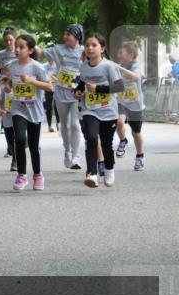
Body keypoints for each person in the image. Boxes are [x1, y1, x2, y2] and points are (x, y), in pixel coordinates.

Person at [74, 33, 124, 188]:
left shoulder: (109, 66)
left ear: (102, 49)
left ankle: (109, 169)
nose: (90, 48)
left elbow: (119, 87)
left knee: (107, 145)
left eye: (94, 45)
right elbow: (82, 84)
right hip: (90, 109)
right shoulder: (83, 66)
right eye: (87, 45)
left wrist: (98, 88)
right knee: (91, 138)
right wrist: (77, 91)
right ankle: (92, 173)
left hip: (108, 111)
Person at [8, 34, 54, 191]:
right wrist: (7, 86)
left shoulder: (37, 67)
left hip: (34, 110)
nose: (17, 50)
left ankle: (38, 175)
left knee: (34, 145)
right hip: (18, 108)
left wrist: (31, 81)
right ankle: (21, 175)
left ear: (30, 50)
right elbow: (6, 81)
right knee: (20, 140)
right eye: (16, 47)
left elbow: (49, 87)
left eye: (21, 47)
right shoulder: (12, 66)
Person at [40, 24, 85, 170]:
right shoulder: (58, 49)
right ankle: (67, 151)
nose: (65, 37)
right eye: (64, 34)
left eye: (68, 34)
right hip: (60, 92)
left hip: (76, 94)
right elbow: (39, 53)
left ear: (77, 36)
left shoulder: (84, 51)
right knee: (64, 125)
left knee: (75, 124)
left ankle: (76, 157)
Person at [115, 40, 146, 170]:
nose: (118, 55)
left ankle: (140, 156)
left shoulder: (134, 66)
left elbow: (136, 77)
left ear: (131, 55)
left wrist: (120, 69)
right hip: (122, 102)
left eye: (121, 53)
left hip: (135, 104)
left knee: (136, 132)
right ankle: (123, 140)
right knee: (119, 122)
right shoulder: (117, 67)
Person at [0, 27, 17, 132]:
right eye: (6, 40)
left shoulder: (19, 51)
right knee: (3, 105)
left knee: (16, 106)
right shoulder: (0, 54)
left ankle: (18, 128)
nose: (8, 42)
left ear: (15, 39)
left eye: (10, 40)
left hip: (17, 81)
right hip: (4, 81)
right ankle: (4, 126)